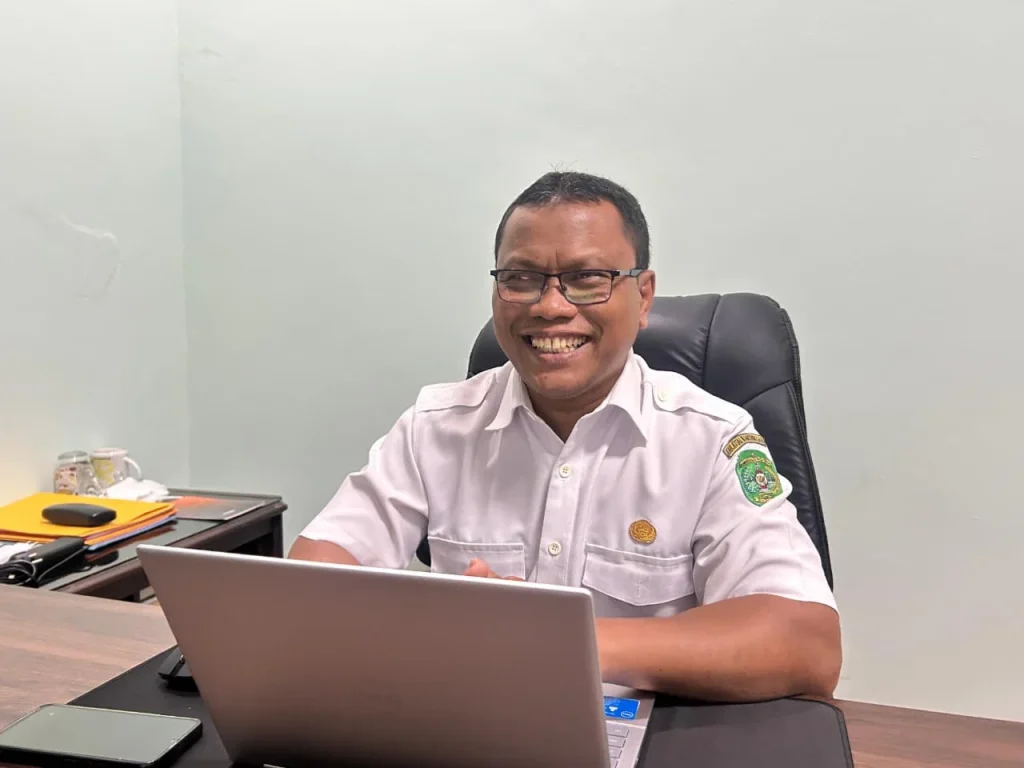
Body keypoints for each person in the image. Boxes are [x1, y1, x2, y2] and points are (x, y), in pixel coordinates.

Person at [289, 171, 842, 702]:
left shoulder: (713, 439)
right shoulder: (435, 426)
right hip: (466, 720)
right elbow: (314, 576)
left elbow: (805, 642)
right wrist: (439, 629)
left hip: (646, 731)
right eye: (520, 278)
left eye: (587, 279)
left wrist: (552, 643)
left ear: (643, 296)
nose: (551, 307)